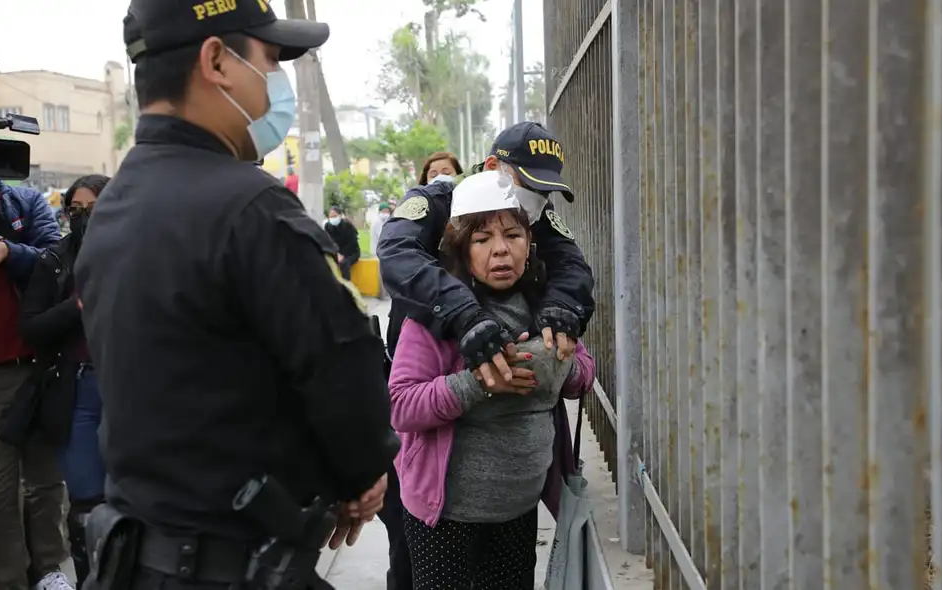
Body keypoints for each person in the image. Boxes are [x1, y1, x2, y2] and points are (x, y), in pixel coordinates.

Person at [74, 1, 399, 588]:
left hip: (137, 560)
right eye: (269, 59)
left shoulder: (115, 203)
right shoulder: (252, 208)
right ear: (217, 61)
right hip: (230, 565)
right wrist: (360, 475)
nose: (275, 81)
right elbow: (340, 367)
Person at [376, 121, 595, 590]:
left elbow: (572, 266)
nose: (502, 248)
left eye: (514, 235)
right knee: (407, 562)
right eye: (483, 240)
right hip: (439, 491)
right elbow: (394, 253)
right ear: (494, 168)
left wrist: (561, 317)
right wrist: (466, 320)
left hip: (515, 506)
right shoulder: (438, 204)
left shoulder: (531, 220)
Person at [0, 178, 70, 590]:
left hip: (40, 366)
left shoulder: (23, 201)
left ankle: (51, 574)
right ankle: (10, 581)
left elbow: (58, 256)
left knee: (46, 482)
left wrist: (9, 250)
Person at [19, 174, 110, 590]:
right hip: (77, 391)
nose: (83, 218)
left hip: (130, 392)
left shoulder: (136, 255)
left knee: (137, 499)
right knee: (87, 504)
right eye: (75, 210)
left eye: (92, 209)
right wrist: (78, 304)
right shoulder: (54, 259)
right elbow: (33, 328)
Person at [324, 205, 361, 280]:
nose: (333, 218)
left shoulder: (348, 226)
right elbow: (328, 242)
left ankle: (346, 286)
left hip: (351, 252)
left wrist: (342, 254)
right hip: (336, 252)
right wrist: (336, 253)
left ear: (340, 216)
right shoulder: (327, 227)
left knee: (344, 263)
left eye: (335, 216)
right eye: (331, 216)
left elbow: (352, 243)